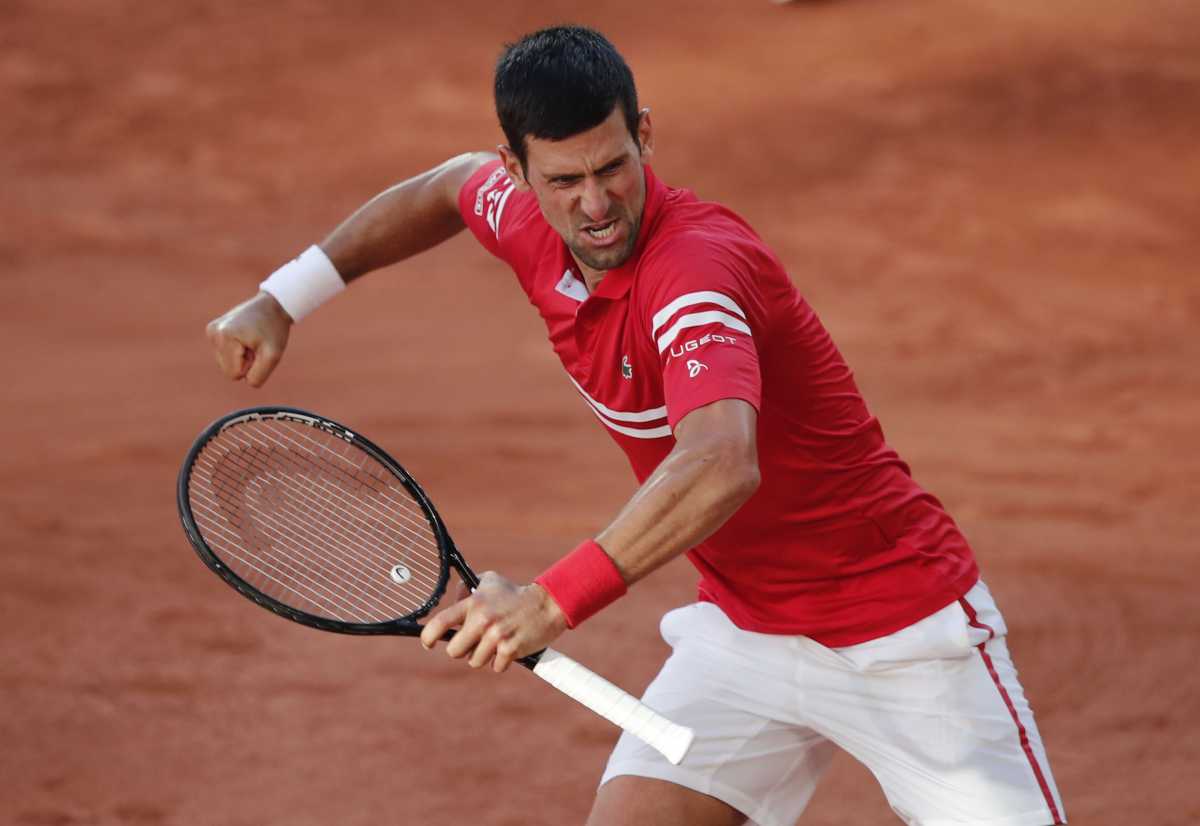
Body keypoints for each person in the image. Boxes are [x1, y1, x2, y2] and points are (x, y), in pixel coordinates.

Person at [206, 25, 1066, 826]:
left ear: (644, 134)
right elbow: (444, 190)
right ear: (517, 170)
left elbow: (721, 462)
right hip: (747, 631)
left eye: (612, 167)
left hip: (899, 633)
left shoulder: (695, 271)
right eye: (563, 181)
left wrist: (551, 601)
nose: (596, 205)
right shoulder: (521, 218)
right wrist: (284, 297)